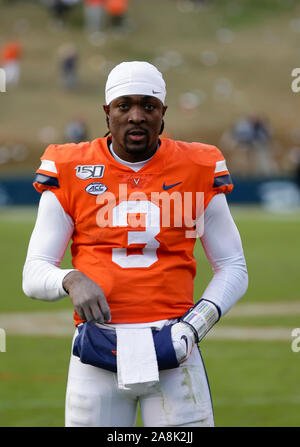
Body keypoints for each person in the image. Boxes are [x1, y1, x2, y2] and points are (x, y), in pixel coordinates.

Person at [22, 61, 248, 427]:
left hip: (175, 344)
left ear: (163, 113)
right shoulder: (70, 167)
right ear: (107, 112)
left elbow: (233, 267)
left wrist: (192, 329)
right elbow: (33, 273)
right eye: (124, 105)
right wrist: (71, 279)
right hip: (97, 350)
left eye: (148, 105)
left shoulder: (197, 165)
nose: (137, 116)